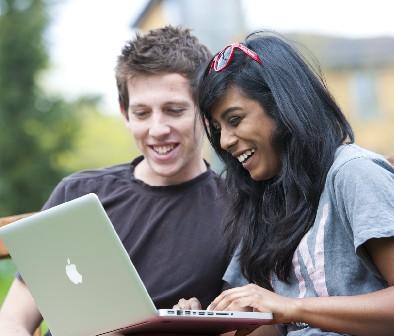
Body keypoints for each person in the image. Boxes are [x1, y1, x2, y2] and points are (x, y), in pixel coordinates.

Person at [0, 26, 231, 336]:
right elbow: (13, 319)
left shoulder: (236, 209)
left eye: (173, 110)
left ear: (205, 113)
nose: (157, 128)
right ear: (125, 114)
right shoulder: (77, 193)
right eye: (142, 113)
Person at [192, 31, 394, 336]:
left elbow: (285, 310)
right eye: (218, 128)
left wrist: (290, 307)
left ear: (282, 105)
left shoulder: (353, 174)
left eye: (235, 119)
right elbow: (275, 326)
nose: (225, 141)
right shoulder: (265, 200)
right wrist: (201, 324)